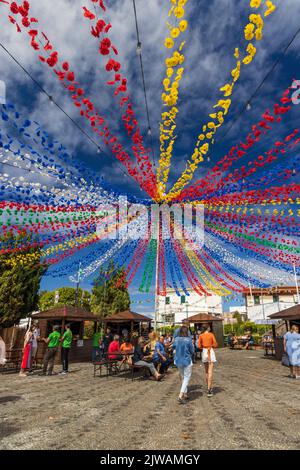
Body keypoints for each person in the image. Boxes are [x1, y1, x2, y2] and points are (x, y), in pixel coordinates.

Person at [172, 326, 194, 404]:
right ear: (187, 331)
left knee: (183, 377)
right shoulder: (189, 340)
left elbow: (173, 347)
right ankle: (181, 395)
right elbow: (192, 350)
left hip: (178, 360)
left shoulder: (176, 339)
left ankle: (185, 394)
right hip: (186, 360)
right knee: (186, 378)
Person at [198, 324, 218, 397]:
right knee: (210, 371)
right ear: (208, 328)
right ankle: (209, 389)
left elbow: (199, 346)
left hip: (204, 351)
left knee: (206, 371)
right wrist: (212, 345)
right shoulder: (211, 334)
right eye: (209, 327)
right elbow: (215, 344)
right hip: (210, 351)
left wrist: (204, 346)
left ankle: (208, 387)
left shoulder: (201, 335)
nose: (210, 328)